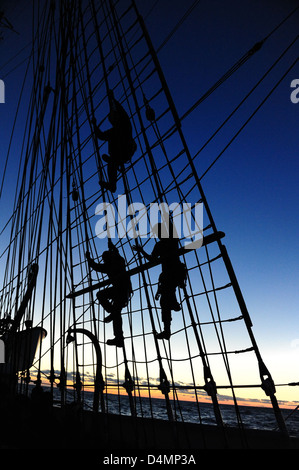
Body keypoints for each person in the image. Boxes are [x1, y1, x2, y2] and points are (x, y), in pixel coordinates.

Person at [133, 223, 187, 340]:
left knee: (165, 301)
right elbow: (152, 260)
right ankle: (172, 307)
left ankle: (167, 328)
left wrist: (140, 251)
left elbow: (152, 260)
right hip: (173, 274)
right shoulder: (169, 242)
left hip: (171, 274)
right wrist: (141, 251)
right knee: (165, 300)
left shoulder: (169, 241)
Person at [86, 240, 132, 347]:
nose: (104, 260)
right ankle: (118, 336)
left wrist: (88, 258)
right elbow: (114, 252)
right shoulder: (119, 260)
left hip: (121, 289)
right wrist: (112, 246)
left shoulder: (110, 265)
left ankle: (113, 314)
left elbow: (95, 266)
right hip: (123, 289)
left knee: (101, 296)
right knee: (115, 312)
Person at [92, 90, 136, 193]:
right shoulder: (114, 130)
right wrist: (94, 125)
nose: (112, 121)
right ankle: (115, 164)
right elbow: (101, 136)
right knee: (112, 161)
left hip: (126, 152)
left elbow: (122, 112)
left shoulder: (125, 125)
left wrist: (112, 100)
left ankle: (113, 182)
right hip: (118, 155)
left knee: (112, 162)